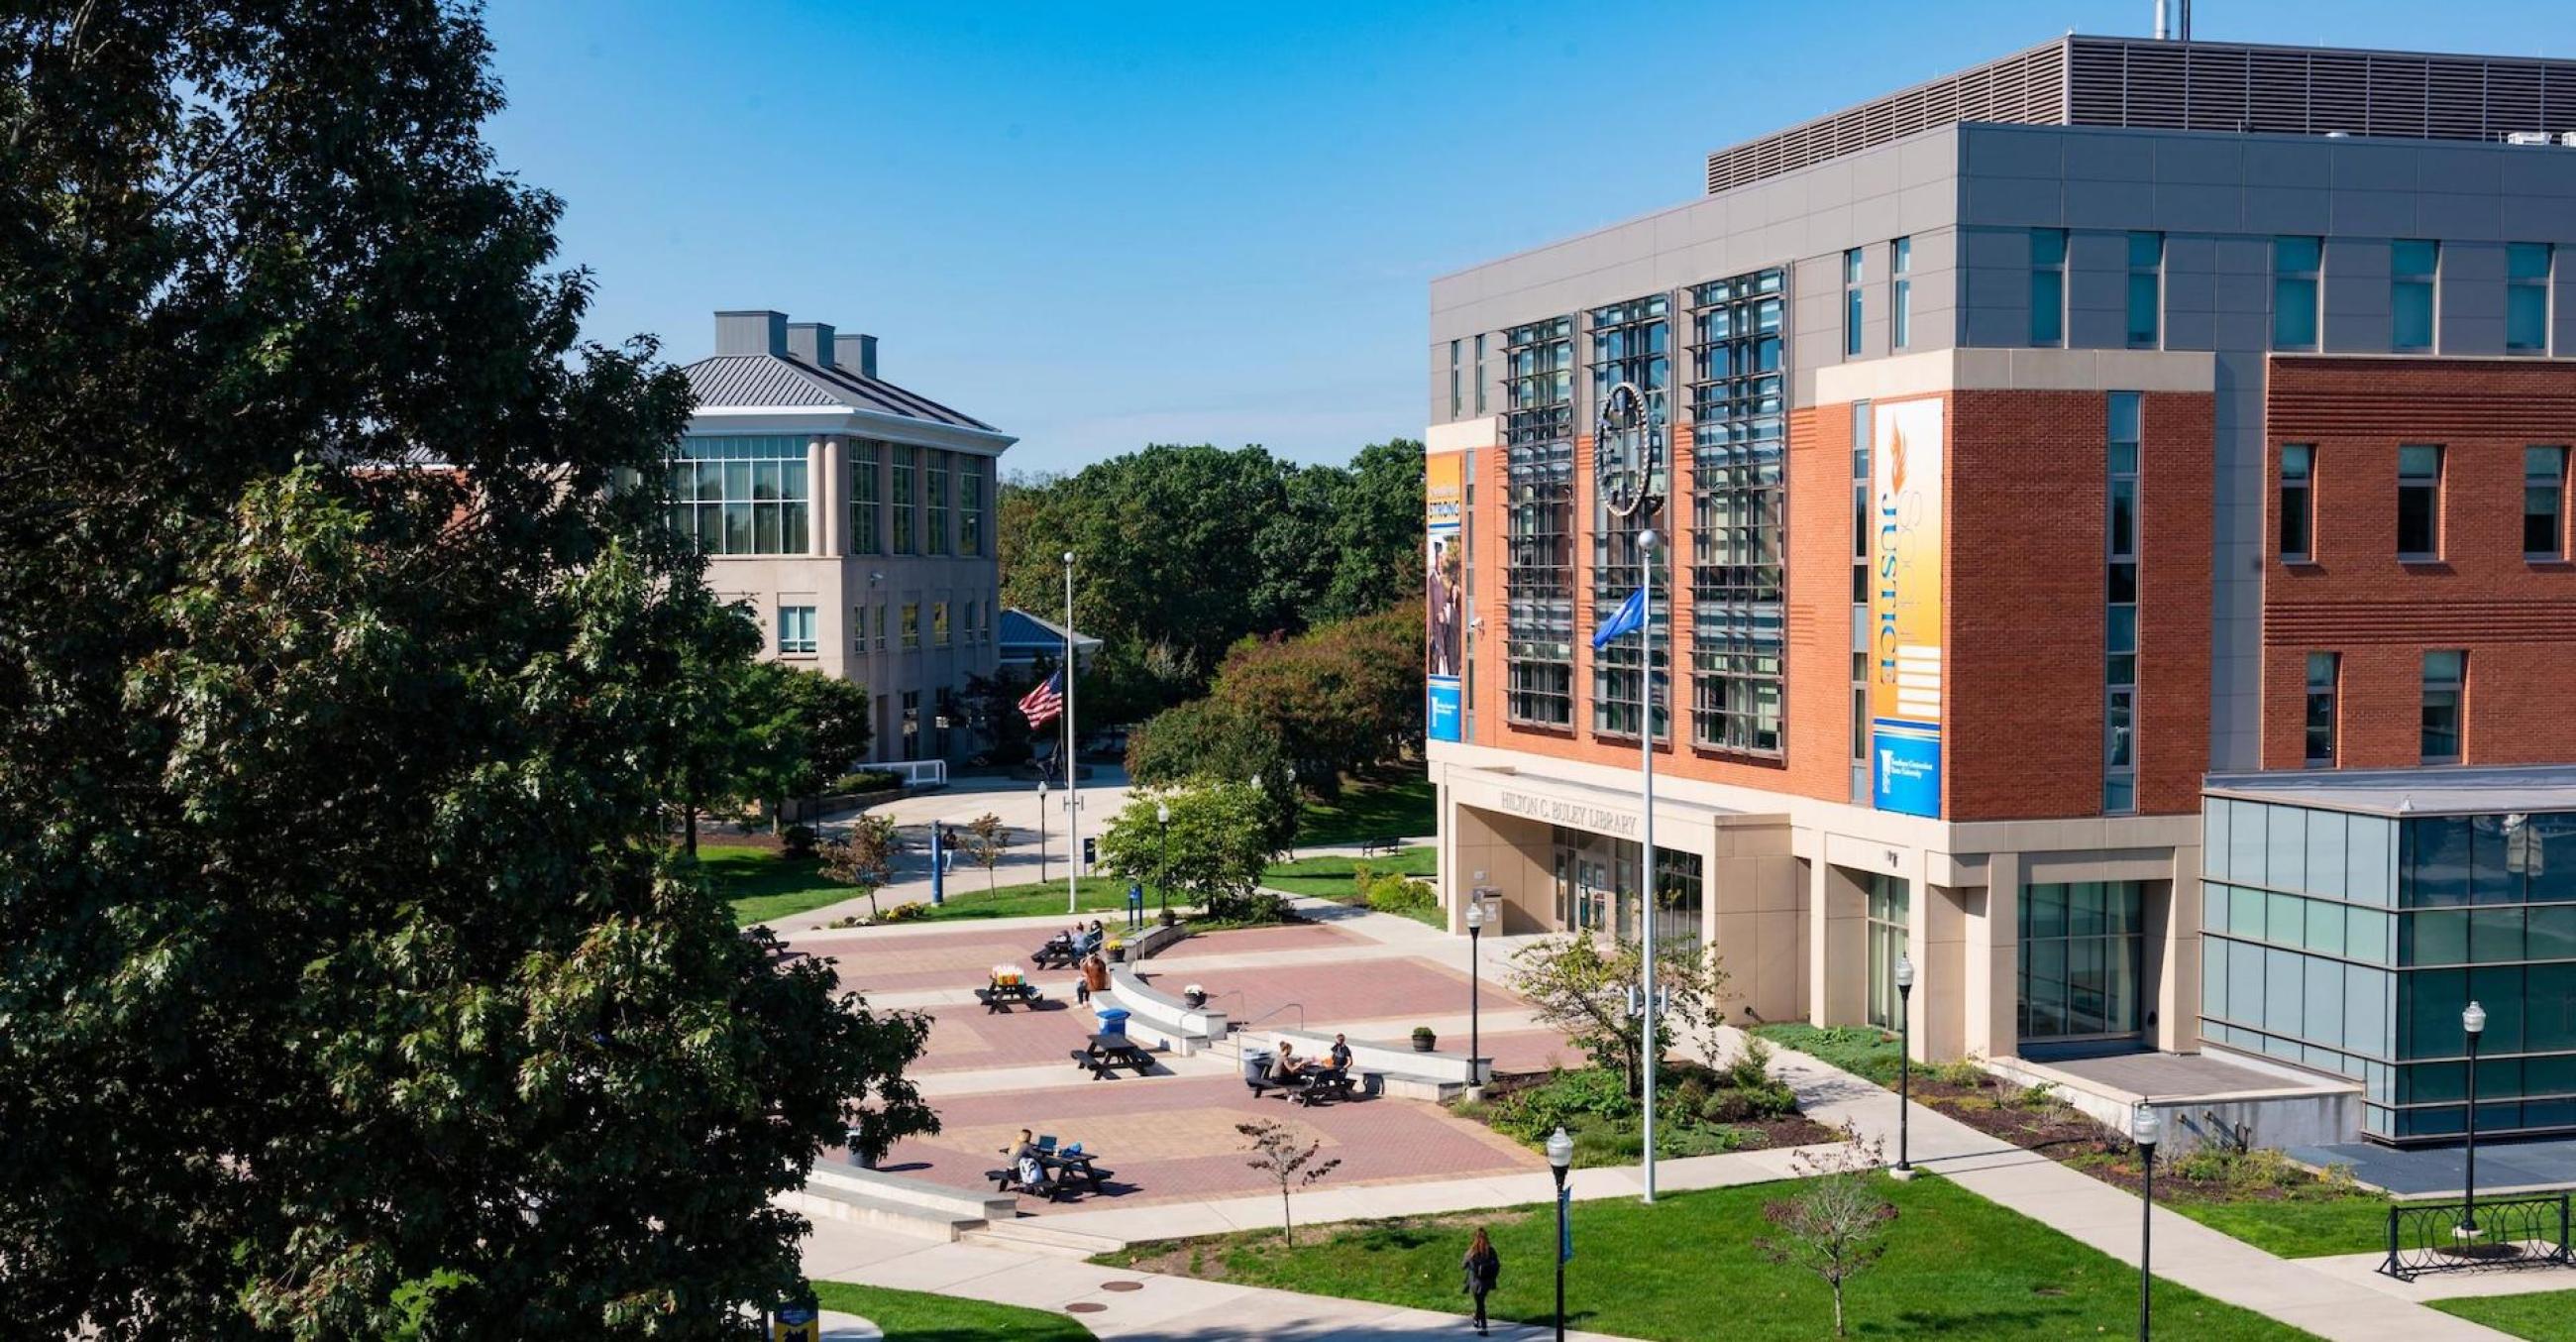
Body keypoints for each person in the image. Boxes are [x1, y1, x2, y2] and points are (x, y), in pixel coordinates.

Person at [1461, 1227, 1500, 1336]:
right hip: (1487, 1282)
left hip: (1475, 1282)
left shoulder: (1472, 1252)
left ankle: (1484, 1328)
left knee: (1480, 1304)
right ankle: (1476, 1318)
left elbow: (1462, 1266)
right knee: (1480, 1302)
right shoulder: (1491, 1251)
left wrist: (1469, 1263)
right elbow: (1497, 1265)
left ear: (1475, 1238)